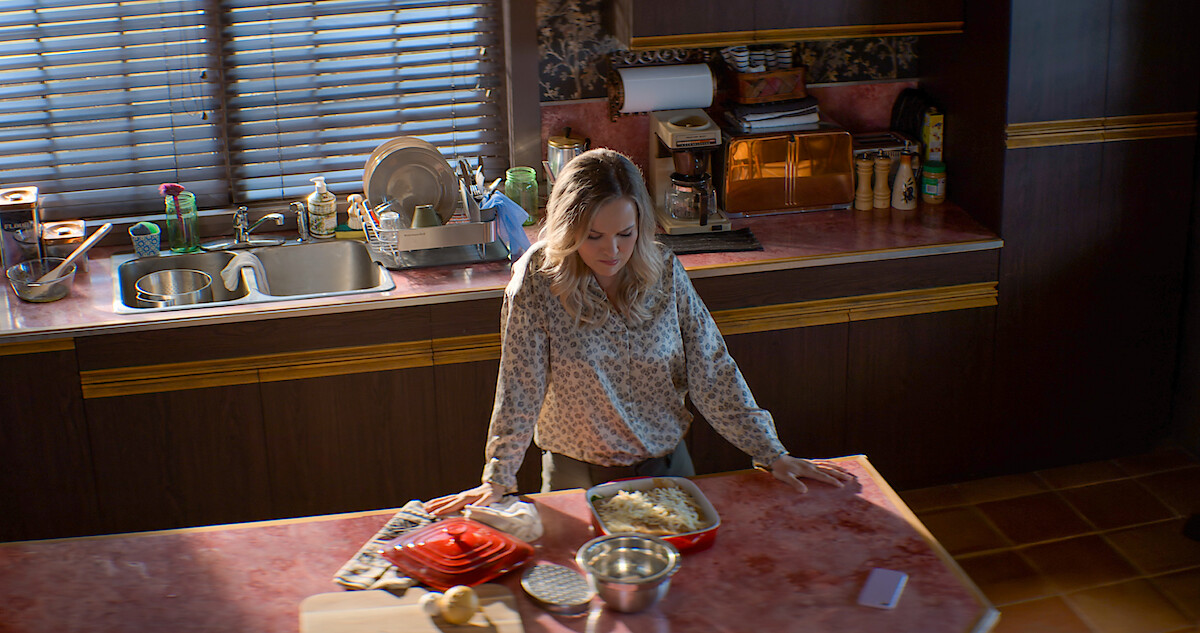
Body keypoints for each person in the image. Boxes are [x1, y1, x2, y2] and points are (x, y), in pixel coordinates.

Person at [425, 149, 852, 516]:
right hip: (575, 470)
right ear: (567, 229)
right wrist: (498, 478)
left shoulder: (664, 270)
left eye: (625, 234)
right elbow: (520, 385)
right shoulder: (537, 281)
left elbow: (712, 369)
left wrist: (770, 451)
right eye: (593, 236)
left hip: (665, 465)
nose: (612, 251)